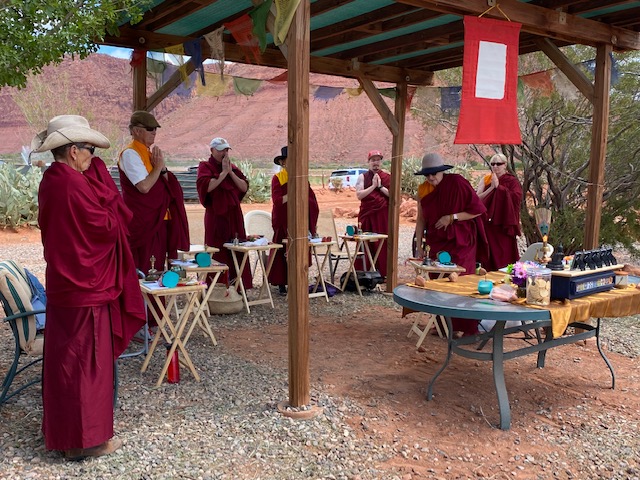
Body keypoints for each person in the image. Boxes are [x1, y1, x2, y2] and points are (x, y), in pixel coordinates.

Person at [33, 115, 146, 460]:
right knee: (87, 366)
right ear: (72, 151)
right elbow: (106, 227)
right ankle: (89, 442)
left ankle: (66, 438)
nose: (92, 157)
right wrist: (107, 192)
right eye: (89, 150)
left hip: (65, 285)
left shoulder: (52, 180)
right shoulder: (72, 184)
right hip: (85, 288)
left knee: (66, 363)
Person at [414, 153, 487, 337]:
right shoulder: (424, 190)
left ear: (442, 171)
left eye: (434, 173)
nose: (431, 177)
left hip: (461, 241)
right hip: (437, 242)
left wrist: (452, 217)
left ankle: (468, 328)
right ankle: (443, 326)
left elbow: (477, 210)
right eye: (427, 174)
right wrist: (419, 245)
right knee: (438, 281)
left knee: (462, 281)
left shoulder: (457, 183)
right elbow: (421, 219)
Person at [118, 111, 190, 275]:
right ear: (136, 131)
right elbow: (144, 187)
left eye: (155, 129)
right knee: (145, 269)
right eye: (150, 129)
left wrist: (162, 169)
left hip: (159, 219)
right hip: (143, 221)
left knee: (157, 268)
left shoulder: (149, 154)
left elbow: (166, 184)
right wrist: (158, 168)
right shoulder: (130, 153)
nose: (154, 132)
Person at [196, 137, 252, 288]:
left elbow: (243, 187)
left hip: (234, 215)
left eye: (226, 150)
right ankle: (217, 288)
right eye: (221, 150)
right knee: (217, 250)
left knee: (237, 249)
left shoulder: (232, 168)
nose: (224, 153)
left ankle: (238, 287)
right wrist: (222, 174)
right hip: (216, 215)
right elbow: (207, 187)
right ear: (212, 150)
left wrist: (230, 173)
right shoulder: (205, 167)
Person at [268, 146, 320, 295]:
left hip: (300, 220)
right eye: (290, 159)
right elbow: (278, 201)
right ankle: (281, 283)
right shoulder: (278, 178)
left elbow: (312, 201)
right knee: (281, 251)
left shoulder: (302, 178)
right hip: (283, 220)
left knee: (299, 250)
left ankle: (298, 280)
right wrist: (293, 193)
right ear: (283, 162)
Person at [475, 153, 523, 271]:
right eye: (493, 164)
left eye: (498, 164)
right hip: (489, 224)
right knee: (490, 255)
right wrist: (492, 187)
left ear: (505, 165)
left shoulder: (512, 181)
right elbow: (477, 199)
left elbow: (516, 198)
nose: (495, 166)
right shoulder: (486, 179)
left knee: (505, 255)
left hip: (504, 224)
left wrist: (499, 188)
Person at [355, 149, 391, 278]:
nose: (376, 163)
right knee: (365, 242)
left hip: (382, 214)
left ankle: (382, 272)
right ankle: (363, 272)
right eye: (373, 160)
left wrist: (380, 187)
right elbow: (359, 195)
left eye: (378, 160)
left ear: (381, 162)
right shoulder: (363, 177)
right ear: (368, 162)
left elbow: (393, 195)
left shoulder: (387, 177)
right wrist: (373, 186)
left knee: (382, 242)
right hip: (367, 214)